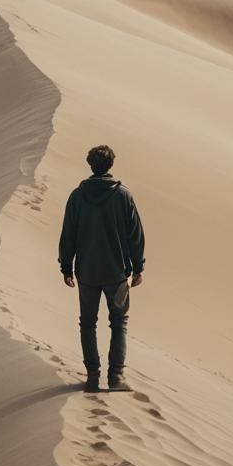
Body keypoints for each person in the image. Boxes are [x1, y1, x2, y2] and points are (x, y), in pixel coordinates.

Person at [58, 145, 146, 393]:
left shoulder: (77, 196)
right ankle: (116, 377)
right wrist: (139, 267)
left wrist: (66, 266)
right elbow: (135, 236)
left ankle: (93, 378)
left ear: (90, 165)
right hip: (116, 272)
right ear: (111, 165)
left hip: (86, 272)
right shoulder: (123, 196)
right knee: (119, 322)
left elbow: (68, 234)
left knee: (88, 323)